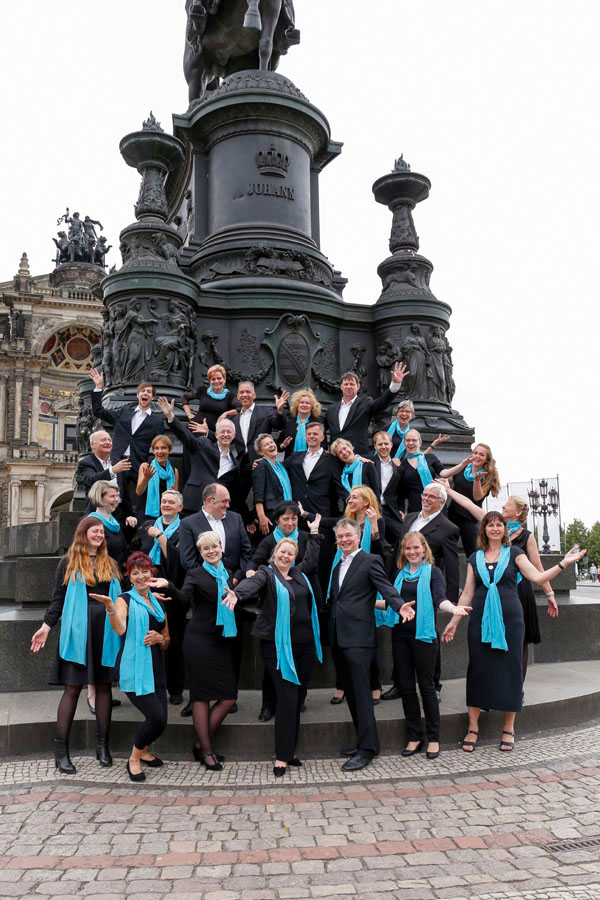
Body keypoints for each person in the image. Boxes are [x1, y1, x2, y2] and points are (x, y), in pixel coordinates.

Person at [442, 512, 585, 752]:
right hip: (480, 620)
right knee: (477, 670)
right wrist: (454, 621)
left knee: (511, 670)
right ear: (484, 530)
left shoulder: (515, 555)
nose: (496, 528)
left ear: (505, 530)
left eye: (500, 525)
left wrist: (563, 564)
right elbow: (467, 594)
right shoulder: (474, 558)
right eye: (491, 525)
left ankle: (509, 728)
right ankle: (473, 727)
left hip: (511, 620)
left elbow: (538, 577)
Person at [224, 518, 324, 776]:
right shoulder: (266, 574)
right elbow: (252, 583)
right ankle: (281, 756)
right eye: (282, 552)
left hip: (305, 646)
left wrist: (313, 533)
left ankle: (290, 751)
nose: (286, 556)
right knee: (287, 698)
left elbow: (311, 558)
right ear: (274, 553)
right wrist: (237, 593)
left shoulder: (299, 574)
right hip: (278, 648)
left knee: (297, 697)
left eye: (291, 553)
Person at [30, 517, 122, 774]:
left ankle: (103, 747)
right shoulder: (69, 563)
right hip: (77, 633)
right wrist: (46, 627)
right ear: (83, 533)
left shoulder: (110, 563)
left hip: (104, 632)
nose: (100, 535)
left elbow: (120, 599)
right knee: (72, 689)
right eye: (95, 531)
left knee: (104, 687)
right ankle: (61, 752)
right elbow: (58, 599)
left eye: (102, 532)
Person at [440, 484, 558, 680]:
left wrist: (550, 594)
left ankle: (516, 686)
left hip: (518, 591)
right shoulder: (494, 524)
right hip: (492, 589)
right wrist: (448, 489)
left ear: (518, 512)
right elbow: (469, 504)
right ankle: (493, 684)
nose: (503, 506)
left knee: (519, 641)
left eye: (508, 504)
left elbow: (538, 568)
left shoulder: (527, 537)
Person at [329, 518, 415, 771]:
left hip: (359, 638)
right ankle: (366, 742)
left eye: (348, 535)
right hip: (340, 637)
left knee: (362, 695)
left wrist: (399, 605)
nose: (344, 540)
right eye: (340, 536)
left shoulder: (369, 561)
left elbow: (385, 588)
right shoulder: (337, 567)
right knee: (353, 695)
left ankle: (367, 750)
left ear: (358, 536)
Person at [377, 532, 470, 759]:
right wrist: (362, 600)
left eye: (415, 548)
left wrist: (452, 609)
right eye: (407, 549)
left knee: (427, 688)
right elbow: (390, 602)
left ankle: (434, 738)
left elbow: (439, 598)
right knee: (406, 688)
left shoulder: (432, 573)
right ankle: (414, 736)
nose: (411, 552)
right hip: (400, 636)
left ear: (424, 549)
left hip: (424, 637)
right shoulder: (399, 575)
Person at [152, 532, 238, 771]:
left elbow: (230, 604)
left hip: (221, 640)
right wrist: (169, 585)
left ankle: (201, 744)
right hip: (199, 641)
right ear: (200, 553)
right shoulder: (196, 574)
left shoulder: (228, 573)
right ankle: (207, 751)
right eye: (205, 549)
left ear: (221, 547)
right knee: (201, 697)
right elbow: (184, 597)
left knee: (229, 696)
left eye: (214, 547)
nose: (211, 551)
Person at [91, 552, 170, 782]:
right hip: (133, 667)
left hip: (156, 668)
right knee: (155, 718)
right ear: (129, 576)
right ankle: (134, 758)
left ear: (151, 573)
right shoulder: (123, 599)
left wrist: (160, 639)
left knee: (162, 721)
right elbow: (119, 628)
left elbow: (167, 639)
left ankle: (144, 751)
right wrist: (110, 608)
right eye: (135, 573)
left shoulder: (158, 603)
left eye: (145, 571)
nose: (141, 576)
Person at [177, 482, 252, 716]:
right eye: (224, 501)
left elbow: (246, 553)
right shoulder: (189, 523)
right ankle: (197, 698)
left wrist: (236, 579)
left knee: (231, 648)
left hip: (232, 593)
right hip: (203, 596)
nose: (228, 505)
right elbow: (188, 559)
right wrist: (210, 581)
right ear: (210, 501)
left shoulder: (235, 519)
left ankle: (228, 693)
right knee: (202, 652)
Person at [382, 482, 459, 703]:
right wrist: (388, 583)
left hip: (427, 591)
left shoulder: (448, 528)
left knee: (429, 636)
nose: (425, 498)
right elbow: (398, 549)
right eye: (424, 494)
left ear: (442, 502)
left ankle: (433, 685)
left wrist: (449, 600)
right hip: (401, 584)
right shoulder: (409, 518)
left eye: (432, 496)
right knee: (400, 635)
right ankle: (400, 683)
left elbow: (452, 566)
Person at [247, 501, 323, 722]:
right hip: (276, 606)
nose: (290, 523)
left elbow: (311, 563)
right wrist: (251, 571)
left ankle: (298, 700)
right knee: (275, 664)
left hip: (301, 599)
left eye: (294, 519)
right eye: (285, 519)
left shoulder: (305, 537)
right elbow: (255, 561)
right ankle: (268, 705)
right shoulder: (270, 541)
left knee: (303, 661)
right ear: (277, 521)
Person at [321, 487, 385, 707]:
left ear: (367, 501)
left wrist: (374, 526)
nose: (350, 500)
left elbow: (378, 554)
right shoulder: (344, 524)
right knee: (338, 644)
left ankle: (374, 686)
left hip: (365, 585)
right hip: (341, 586)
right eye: (349, 497)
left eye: (354, 497)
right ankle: (341, 686)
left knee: (366, 643)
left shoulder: (376, 521)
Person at [138, 489, 187, 706]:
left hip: (171, 589)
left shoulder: (186, 529)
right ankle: (148, 685)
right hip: (145, 589)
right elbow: (139, 555)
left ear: (180, 508)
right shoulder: (147, 525)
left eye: (171, 502)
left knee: (173, 640)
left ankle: (175, 688)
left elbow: (178, 560)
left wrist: (161, 536)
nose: (165, 504)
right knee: (147, 637)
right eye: (163, 501)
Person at [159, 397, 240, 516]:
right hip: (194, 503)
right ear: (216, 434)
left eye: (229, 432)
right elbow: (186, 437)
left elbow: (235, 492)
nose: (225, 435)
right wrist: (171, 417)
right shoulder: (204, 445)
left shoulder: (235, 464)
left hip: (216, 511)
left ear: (233, 436)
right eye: (222, 432)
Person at [89, 369, 166, 478]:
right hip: (116, 462)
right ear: (137, 395)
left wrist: (149, 465)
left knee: (135, 495)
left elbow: (159, 446)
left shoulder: (157, 422)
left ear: (152, 397)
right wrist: (98, 387)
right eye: (142, 391)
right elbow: (98, 411)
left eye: (148, 392)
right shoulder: (124, 411)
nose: (145, 393)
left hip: (138, 466)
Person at [325, 364, 407, 455]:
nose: (348, 387)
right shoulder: (331, 409)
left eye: (352, 384)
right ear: (341, 386)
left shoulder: (365, 403)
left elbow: (382, 403)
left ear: (358, 386)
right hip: (335, 456)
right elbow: (320, 429)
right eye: (346, 384)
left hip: (358, 455)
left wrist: (395, 384)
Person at [445, 444, 501, 556]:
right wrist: (445, 482)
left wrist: (477, 481)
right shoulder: (463, 469)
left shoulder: (487, 477)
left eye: (481, 454)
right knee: (447, 551)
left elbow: (477, 497)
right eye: (475, 453)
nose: (477, 456)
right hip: (452, 516)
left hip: (469, 519)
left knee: (473, 554)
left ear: (486, 460)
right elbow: (446, 477)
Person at [285, 421, 340, 517]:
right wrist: (263, 461)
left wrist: (357, 457)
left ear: (322, 438)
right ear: (305, 437)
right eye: (309, 434)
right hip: (297, 514)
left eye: (315, 434)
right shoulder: (295, 457)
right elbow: (277, 468)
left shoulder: (332, 459)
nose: (311, 436)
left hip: (321, 514)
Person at [252, 433, 294, 534]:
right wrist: (261, 517)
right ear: (261, 452)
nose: (271, 445)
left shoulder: (281, 467)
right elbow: (258, 494)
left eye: (272, 442)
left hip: (287, 513)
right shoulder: (261, 465)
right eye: (266, 444)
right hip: (272, 516)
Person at [76, 429, 132, 504]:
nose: (107, 443)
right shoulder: (86, 463)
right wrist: (112, 471)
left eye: (109, 440)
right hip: (98, 510)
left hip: (119, 512)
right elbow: (91, 479)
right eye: (103, 440)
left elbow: (125, 490)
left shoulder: (117, 462)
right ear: (92, 444)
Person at [87, 480, 132, 570]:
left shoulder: (115, 524)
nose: (116, 500)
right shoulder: (90, 524)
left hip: (117, 577)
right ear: (100, 497)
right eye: (112, 496)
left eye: (117, 496)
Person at [398, 430, 445, 513]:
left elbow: (445, 473)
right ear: (404, 443)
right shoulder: (402, 465)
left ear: (420, 442)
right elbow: (401, 493)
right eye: (408, 440)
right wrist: (401, 510)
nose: (411, 443)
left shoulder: (430, 457)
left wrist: (463, 464)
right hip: (415, 508)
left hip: (435, 505)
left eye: (414, 440)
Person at [181, 364, 239, 432]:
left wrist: (226, 413)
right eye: (213, 379)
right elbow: (184, 397)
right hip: (193, 428)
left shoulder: (230, 396)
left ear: (224, 379)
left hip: (211, 433)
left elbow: (241, 408)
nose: (216, 381)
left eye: (219, 378)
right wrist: (189, 414)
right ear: (210, 381)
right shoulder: (202, 390)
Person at [385, 400, 449, 460]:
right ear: (397, 413)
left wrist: (434, 444)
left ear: (412, 415)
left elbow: (419, 455)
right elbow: (377, 448)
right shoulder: (387, 429)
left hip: (401, 468)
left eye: (407, 411)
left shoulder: (411, 433)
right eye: (401, 411)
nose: (404, 414)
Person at [135, 434, 179, 520]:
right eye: (156, 448)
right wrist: (146, 478)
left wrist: (173, 493)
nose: (159, 451)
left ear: (170, 450)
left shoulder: (174, 471)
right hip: (146, 514)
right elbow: (138, 492)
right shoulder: (146, 467)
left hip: (167, 515)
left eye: (163, 448)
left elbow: (176, 497)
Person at [372, 430, 404, 543]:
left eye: (386, 443)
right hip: (373, 509)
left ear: (391, 444)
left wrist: (401, 509)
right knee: (376, 542)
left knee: (402, 538)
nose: (383, 447)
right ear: (375, 446)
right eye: (380, 444)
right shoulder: (369, 463)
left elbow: (401, 491)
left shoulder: (399, 467)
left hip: (391, 510)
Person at [277, 388, 325, 458]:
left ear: (312, 407)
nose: (304, 405)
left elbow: (324, 445)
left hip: (313, 462)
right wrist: (283, 446)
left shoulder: (317, 423)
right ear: (297, 405)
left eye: (307, 403)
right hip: (291, 464)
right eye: (301, 402)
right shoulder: (289, 423)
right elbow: (279, 446)